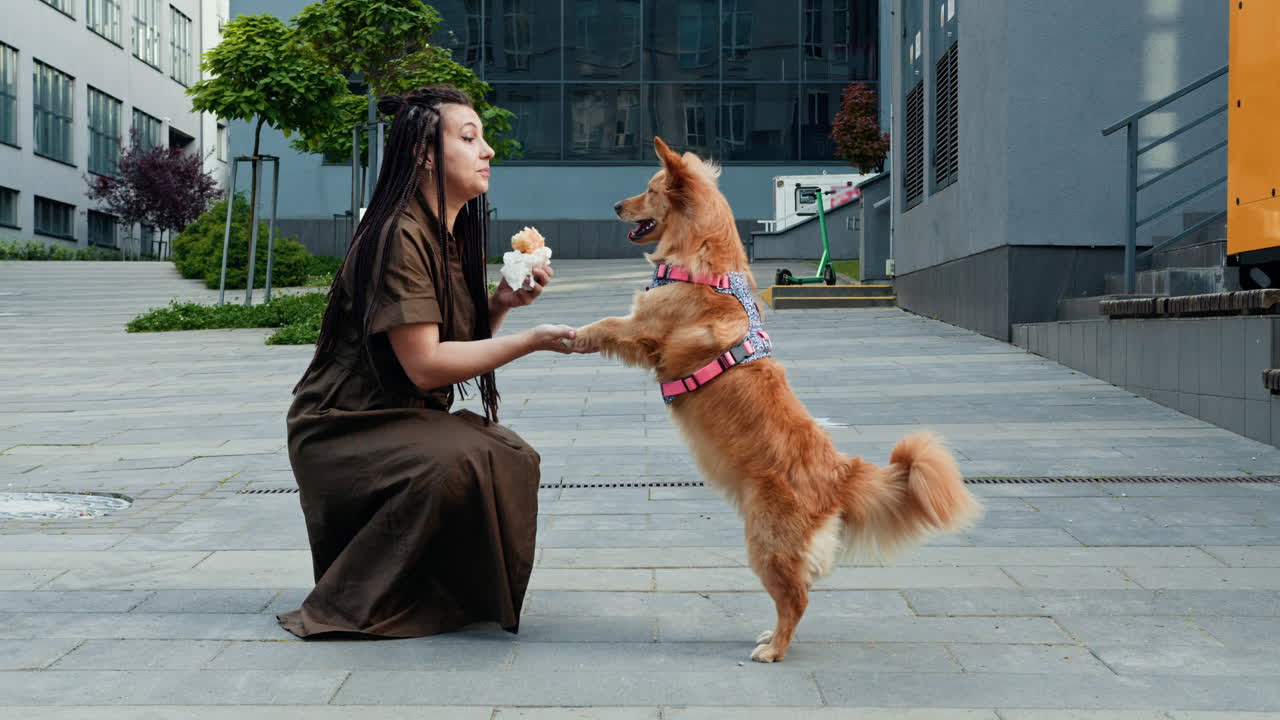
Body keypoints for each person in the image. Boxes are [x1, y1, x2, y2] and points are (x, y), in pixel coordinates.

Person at [278, 85, 590, 639]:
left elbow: (453, 343)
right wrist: (534, 340)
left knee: (511, 454)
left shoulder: (444, 234)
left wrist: (500, 304)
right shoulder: (400, 233)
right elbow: (425, 366)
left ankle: (443, 592)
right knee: (463, 457)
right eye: (469, 138)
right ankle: (377, 596)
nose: (487, 151)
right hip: (343, 427)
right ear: (424, 154)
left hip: (397, 418)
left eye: (483, 138)